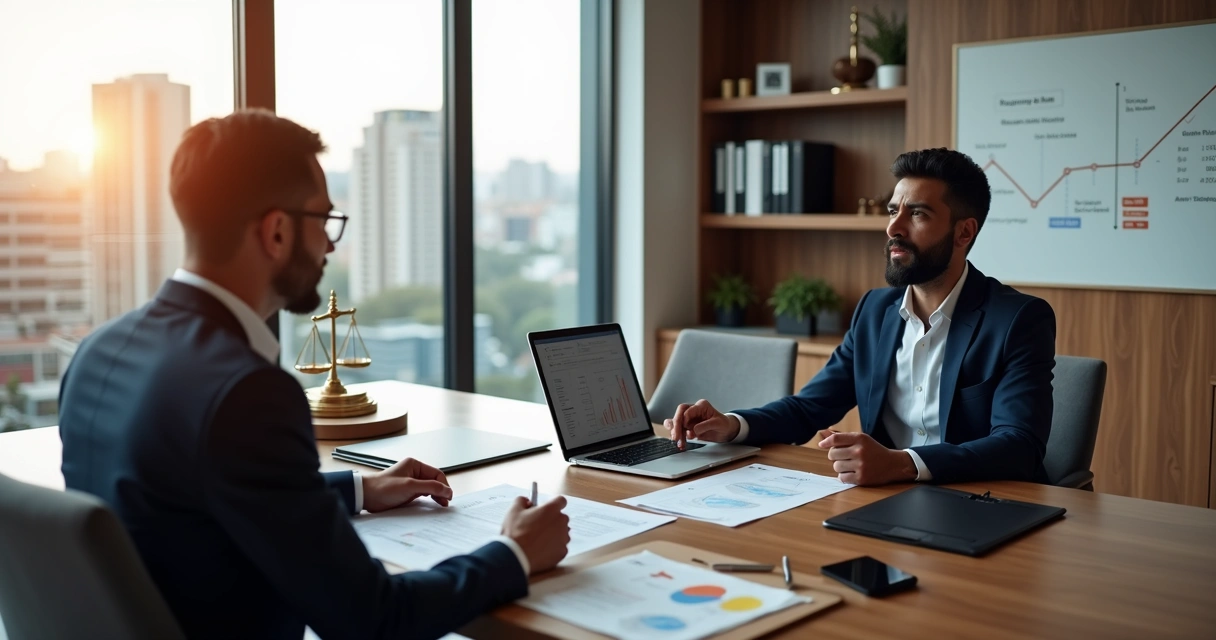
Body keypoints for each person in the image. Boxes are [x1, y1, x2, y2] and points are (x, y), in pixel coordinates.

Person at [58, 109, 570, 639]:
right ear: (277, 231)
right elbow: (373, 619)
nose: (330, 244)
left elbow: (197, 496)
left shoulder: (99, 350)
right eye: (323, 220)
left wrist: (361, 489)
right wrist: (514, 553)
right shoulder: (247, 392)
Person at [667, 148, 1056, 486]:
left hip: (978, 503)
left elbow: (1019, 446)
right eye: (893, 210)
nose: (893, 228)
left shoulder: (1018, 320)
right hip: (884, 497)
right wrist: (732, 425)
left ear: (964, 233)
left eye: (918, 214)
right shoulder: (874, 310)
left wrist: (902, 464)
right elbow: (809, 407)